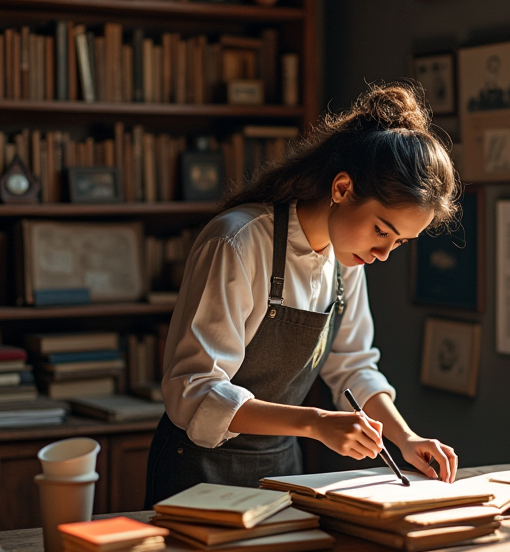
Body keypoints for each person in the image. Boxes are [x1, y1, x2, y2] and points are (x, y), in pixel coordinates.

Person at [145, 82, 461, 504]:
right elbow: (194, 389)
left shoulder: (347, 259)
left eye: (400, 242)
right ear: (342, 188)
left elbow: (352, 368)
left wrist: (404, 438)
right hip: (197, 475)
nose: (384, 253)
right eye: (382, 230)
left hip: (279, 473)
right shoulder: (237, 242)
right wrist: (315, 423)